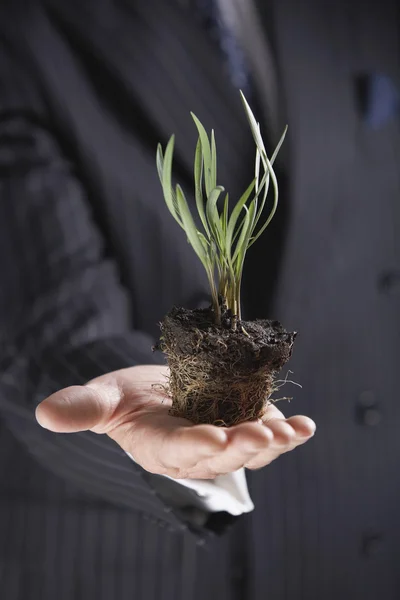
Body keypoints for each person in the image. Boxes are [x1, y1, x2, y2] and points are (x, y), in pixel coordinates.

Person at [0, 1, 398, 599]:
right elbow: (45, 298)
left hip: (353, 530)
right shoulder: (24, 24)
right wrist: (111, 386)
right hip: (132, 563)